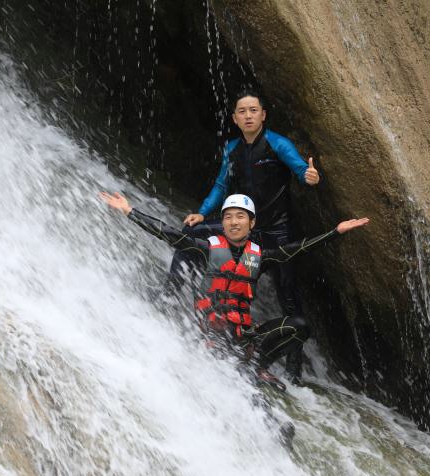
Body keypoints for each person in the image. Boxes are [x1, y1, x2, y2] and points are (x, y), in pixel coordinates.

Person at [100, 191, 368, 390]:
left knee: (299, 325)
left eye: (241, 217)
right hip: (212, 337)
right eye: (228, 217)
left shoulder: (260, 257)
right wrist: (129, 211)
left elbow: (299, 248)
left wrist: (336, 231)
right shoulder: (207, 248)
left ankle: (259, 365)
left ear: (251, 224)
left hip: (244, 337)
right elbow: (171, 234)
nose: (234, 222)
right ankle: (269, 420)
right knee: (239, 377)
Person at [168, 90, 322, 382]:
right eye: (243, 111)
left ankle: (294, 371)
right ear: (235, 119)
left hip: (277, 230)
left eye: (254, 110)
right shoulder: (233, 149)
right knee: (192, 234)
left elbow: (301, 169)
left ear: (263, 115)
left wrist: (308, 177)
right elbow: (220, 184)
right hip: (245, 227)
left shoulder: (277, 144)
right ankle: (172, 293)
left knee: (287, 294)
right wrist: (202, 212)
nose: (248, 115)